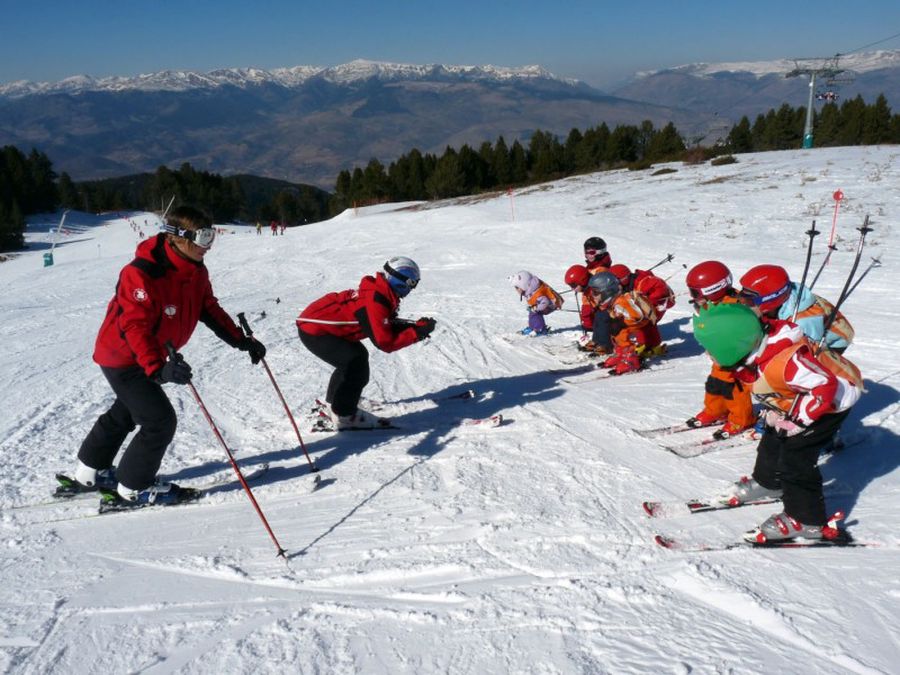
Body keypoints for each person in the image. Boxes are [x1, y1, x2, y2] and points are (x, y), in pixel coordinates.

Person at [65, 206, 267, 508]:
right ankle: (133, 488)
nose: (207, 246)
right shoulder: (142, 272)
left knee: (128, 410)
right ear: (177, 237)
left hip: (146, 355)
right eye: (202, 237)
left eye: (211, 237)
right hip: (124, 356)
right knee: (159, 420)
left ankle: (90, 471)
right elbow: (135, 327)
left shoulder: (196, 270)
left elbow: (207, 308)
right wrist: (157, 369)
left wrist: (241, 340)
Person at [692, 302, 862, 542]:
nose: (709, 354)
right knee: (773, 438)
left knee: (796, 457)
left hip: (830, 403)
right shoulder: (758, 351)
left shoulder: (785, 363)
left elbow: (824, 386)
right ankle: (769, 482)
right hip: (799, 398)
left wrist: (799, 421)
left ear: (732, 345)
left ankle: (806, 520)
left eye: (711, 348)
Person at [296, 257, 435, 429]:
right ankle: (344, 415)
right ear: (402, 281)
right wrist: (416, 333)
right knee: (355, 364)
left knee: (356, 358)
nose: (412, 288)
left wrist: (412, 327)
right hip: (315, 330)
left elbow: (381, 323)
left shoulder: (382, 292)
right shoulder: (377, 300)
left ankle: (335, 403)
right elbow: (385, 342)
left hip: (320, 326)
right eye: (412, 283)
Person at [684, 260, 756, 439]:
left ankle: (742, 418)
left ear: (712, 289)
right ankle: (715, 411)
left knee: (734, 388)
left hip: (739, 357)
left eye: (695, 292)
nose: (693, 296)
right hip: (721, 355)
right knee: (715, 384)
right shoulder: (711, 303)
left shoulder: (736, 305)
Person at [738, 264, 854, 353]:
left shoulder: (802, 322)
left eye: (749, 301)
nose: (744, 304)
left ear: (770, 300)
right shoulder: (779, 300)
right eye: (742, 298)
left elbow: (809, 352)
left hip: (831, 342)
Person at [586, 271, 661, 375]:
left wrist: (622, 323)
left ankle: (631, 360)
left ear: (607, 292)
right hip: (632, 322)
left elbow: (637, 315)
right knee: (615, 329)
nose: (593, 296)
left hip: (640, 323)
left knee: (620, 331)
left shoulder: (621, 302)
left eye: (595, 292)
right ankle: (620, 354)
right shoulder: (614, 302)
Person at [608, 263, 676, 321]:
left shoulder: (641, 284)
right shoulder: (625, 286)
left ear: (624, 279)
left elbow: (661, 287)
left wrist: (648, 302)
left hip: (654, 310)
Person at [509, 271, 564, 336]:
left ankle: (540, 329)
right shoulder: (530, 289)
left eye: (517, 287)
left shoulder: (537, 293)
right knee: (532, 313)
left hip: (551, 305)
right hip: (543, 304)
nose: (516, 290)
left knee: (535, 313)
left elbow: (545, 302)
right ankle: (532, 327)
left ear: (523, 285)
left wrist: (536, 308)